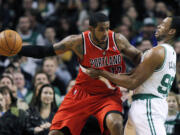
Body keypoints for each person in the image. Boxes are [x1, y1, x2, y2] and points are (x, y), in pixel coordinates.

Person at [18, 12, 142, 135]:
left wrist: (134, 75)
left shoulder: (117, 39)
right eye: (101, 29)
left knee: (116, 124)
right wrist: (17, 49)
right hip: (82, 94)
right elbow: (44, 51)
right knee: (55, 133)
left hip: (108, 95)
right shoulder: (77, 42)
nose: (105, 33)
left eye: (107, 28)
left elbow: (138, 56)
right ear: (91, 29)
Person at [86, 16, 180, 135]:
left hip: (148, 106)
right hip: (148, 104)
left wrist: (102, 72)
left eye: (163, 24)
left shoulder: (158, 51)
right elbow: (133, 74)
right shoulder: (170, 52)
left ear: (171, 31)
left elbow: (132, 82)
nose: (158, 26)